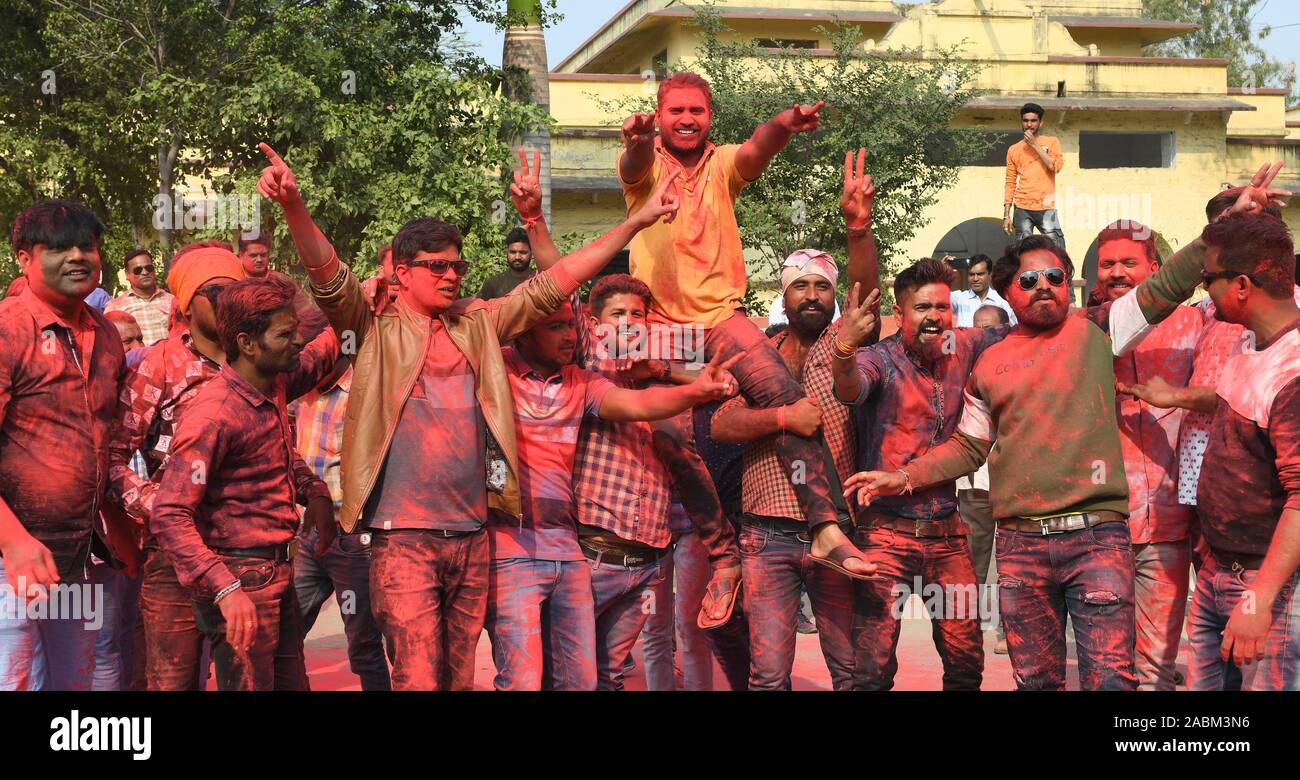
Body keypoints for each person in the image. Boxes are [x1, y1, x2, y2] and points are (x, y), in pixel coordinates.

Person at [846, 164, 1288, 690]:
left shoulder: (1098, 332)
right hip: (1019, 546)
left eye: (1055, 277)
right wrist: (904, 477)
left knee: (1110, 681)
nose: (1043, 287)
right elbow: (968, 447)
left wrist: (1223, 229)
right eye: (1028, 280)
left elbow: (1167, 284)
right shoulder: (988, 360)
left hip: (1096, 540)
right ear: (1008, 293)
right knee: (1036, 682)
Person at [257, 141, 680, 690]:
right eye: (437, 266)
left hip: (473, 535)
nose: (453, 275)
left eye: (458, 265)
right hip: (401, 536)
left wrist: (639, 220)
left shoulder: (479, 323)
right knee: (417, 678)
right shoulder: (374, 324)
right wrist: (293, 204)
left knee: (459, 680)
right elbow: (326, 275)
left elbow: (563, 279)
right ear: (402, 272)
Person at [617, 71, 873, 578]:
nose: (687, 119)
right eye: (676, 111)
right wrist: (638, 142)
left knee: (792, 402)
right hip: (663, 325)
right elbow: (633, 163)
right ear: (661, 115)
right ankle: (721, 552)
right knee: (672, 440)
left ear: (709, 117)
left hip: (723, 319)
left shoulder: (722, 165)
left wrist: (785, 122)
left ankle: (824, 527)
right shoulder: (647, 170)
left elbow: (758, 148)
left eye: (697, 111)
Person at [486, 300, 737, 690]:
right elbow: (558, 281)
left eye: (638, 315)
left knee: (603, 675)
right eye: (617, 315)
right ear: (595, 326)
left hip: (644, 559)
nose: (629, 323)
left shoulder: (625, 375)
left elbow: (697, 392)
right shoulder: (574, 373)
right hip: (582, 555)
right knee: (538, 677)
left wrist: (680, 379)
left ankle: (724, 558)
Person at [708, 148, 882, 690]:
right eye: (800, 286)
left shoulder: (845, 344)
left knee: (849, 671)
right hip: (764, 535)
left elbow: (866, 297)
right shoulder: (756, 356)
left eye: (822, 287)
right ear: (783, 296)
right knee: (768, 676)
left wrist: (859, 229)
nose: (811, 295)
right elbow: (720, 426)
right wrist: (781, 417)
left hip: (836, 531)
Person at [151, 275, 340, 691]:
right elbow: (168, 513)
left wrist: (315, 492)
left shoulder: (271, 387)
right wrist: (226, 588)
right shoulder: (214, 415)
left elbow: (275, 454)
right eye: (285, 334)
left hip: (274, 573)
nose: (296, 343)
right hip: (240, 579)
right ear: (248, 343)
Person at [833, 256, 1010, 691]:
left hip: (948, 533)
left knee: (966, 662)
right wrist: (843, 349)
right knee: (871, 671)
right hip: (883, 534)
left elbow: (1023, 329)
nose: (934, 317)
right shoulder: (879, 358)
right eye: (922, 308)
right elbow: (850, 389)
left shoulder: (965, 346)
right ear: (900, 314)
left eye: (942, 307)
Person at [0, 200, 129, 690]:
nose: (78, 256)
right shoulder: (9, 329)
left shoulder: (106, 334)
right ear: (23, 257)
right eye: (58, 247)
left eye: (87, 245)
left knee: (79, 685)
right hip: (10, 560)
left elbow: (106, 440)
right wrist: (13, 542)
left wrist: (116, 523)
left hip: (77, 557)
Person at [108, 241, 247, 691]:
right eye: (215, 292)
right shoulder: (159, 365)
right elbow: (113, 458)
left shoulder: (255, 360)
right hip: (173, 554)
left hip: (245, 549)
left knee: (248, 676)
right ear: (187, 303)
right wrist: (162, 505)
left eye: (235, 291)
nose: (229, 302)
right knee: (173, 678)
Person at [1092, 220, 1203, 691]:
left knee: (1156, 665)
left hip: (1172, 524)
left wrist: (1176, 396)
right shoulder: (1084, 334)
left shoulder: (1199, 326)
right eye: (1107, 264)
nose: (1116, 271)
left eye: (1128, 262)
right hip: (1102, 526)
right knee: (1106, 665)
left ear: (1155, 268)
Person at [291, 363, 392, 691]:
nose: (306, 357)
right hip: (308, 533)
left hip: (351, 536)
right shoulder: (301, 390)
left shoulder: (363, 392)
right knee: (287, 631)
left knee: (363, 644)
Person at [959, 303, 1010, 654]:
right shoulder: (961, 369)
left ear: (1006, 329)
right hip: (972, 483)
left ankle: (1008, 629)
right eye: (977, 328)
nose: (983, 335)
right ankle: (969, 628)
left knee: (1011, 562)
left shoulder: (1018, 366)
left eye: (991, 328)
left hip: (1011, 483)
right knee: (971, 561)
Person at [1003, 102, 1065, 247]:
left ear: (1040, 122)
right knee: (1023, 252)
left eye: (1033, 121)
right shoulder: (1014, 149)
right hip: (1022, 207)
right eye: (1025, 121)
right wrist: (1006, 214)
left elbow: (1055, 167)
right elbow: (1010, 182)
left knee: (1058, 249)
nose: (1029, 124)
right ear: (1021, 123)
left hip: (1046, 206)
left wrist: (1035, 145)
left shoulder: (1052, 142)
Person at [106, 248, 174, 345]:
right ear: (127, 275)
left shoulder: (172, 301)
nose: (145, 272)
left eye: (149, 268)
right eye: (138, 270)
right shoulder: (115, 307)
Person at [950, 255, 1016, 327]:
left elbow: (1014, 327)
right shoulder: (958, 298)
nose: (975, 279)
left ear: (990, 275)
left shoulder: (1002, 299)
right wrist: (942, 271)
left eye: (980, 274)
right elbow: (936, 297)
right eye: (971, 274)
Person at [477, 227, 535, 299]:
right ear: (506, 253)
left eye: (523, 252)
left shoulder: (540, 281)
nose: (517, 257)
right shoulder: (493, 284)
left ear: (531, 253)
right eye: (513, 252)